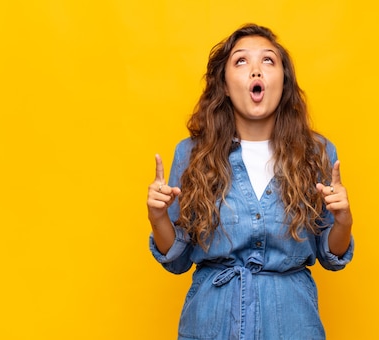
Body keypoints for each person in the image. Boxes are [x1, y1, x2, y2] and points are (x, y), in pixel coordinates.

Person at [147, 23, 354, 340]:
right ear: (226, 86)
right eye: (241, 61)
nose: (256, 70)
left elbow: (331, 256)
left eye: (268, 61)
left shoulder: (318, 153)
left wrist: (342, 222)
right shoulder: (191, 154)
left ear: (283, 82)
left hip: (292, 323)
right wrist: (158, 218)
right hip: (211, 324)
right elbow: (176, 260)